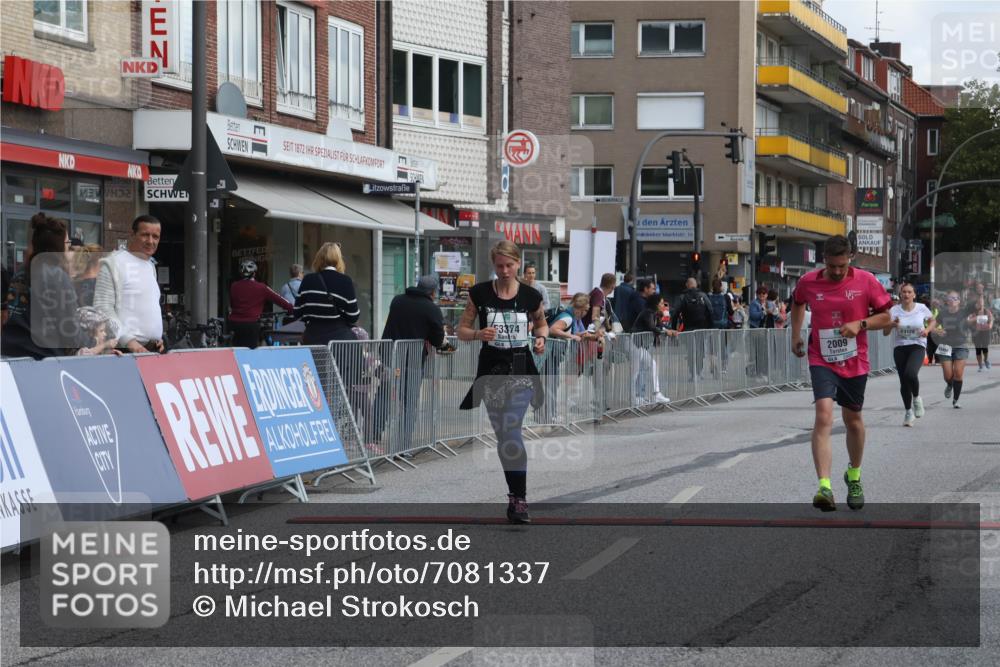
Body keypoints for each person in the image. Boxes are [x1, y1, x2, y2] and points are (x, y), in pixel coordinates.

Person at [790, 235, 892, 512]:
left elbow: (887, 316)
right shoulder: (808, 282)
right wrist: (796, 335)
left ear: (851, 259)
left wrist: (860, 324)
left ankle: (854, 475)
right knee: (823, 414)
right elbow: (798, 302)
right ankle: (824, 486)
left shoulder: (866, 281)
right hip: (821, 357)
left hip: (854, 359)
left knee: (853, 419)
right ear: (825, 260)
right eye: (832, 266)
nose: (837, 272)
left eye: (842, 266)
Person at [457, 241, 547, 524]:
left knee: (511, 429)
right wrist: (478, 334)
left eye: (509, 265)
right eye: (499, 266)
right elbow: (461, 330)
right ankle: (513, 493)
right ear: (493, 265)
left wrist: (542, 337)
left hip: (521, 369)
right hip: (492, 370)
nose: (505, 271)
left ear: (518, 264)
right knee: (503, 435)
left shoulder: (531, 295)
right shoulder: (480, 294)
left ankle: (520, 500)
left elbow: (542, 323)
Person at [373, 276, 449, 452]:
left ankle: (373, 437)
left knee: (384, 396)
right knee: (409, 403)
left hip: (389, 357)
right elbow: (437, 339)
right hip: (412, 362)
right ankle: (403, 445)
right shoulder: (431, 309)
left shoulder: (398, 301)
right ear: (433, 292)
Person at [1, 213, 84, 359]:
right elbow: (71, 332)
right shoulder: (58, 276)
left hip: (11, 354)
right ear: (58, 246)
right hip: (43, 359)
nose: (69, 247)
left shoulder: (20, 272)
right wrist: (96, 340)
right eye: (67, 243)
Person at [93, 215, 165, 353]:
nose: (151, 241)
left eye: (155, 237)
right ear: (132, 235)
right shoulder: (113, 263)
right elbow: (102, 307)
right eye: (145, 235)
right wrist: (129, 342)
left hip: (152, 349)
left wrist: (157, 337)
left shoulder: (150, 266)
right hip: (125, 352)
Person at [883, 282, 935, 426]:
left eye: (909, 292)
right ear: (900, 294)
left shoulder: (921, 308)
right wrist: (892, 324)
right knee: (903, 381)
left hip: (917, 346)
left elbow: (932, 321)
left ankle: (917, 398)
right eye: (904, 292)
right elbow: (885, 332)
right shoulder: (894, 310)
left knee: (910, 374)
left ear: (914, 295)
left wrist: (927, 330)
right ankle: (908, 412)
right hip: (900, 348)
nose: (906, 294)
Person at [295, 242, 360, 344]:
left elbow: (297, 312)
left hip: (312, 339)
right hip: (338, 343)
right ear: (339, 259)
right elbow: (353, 316)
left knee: (314, 361)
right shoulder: (345, 281)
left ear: (319, 258)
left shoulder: (308, 279)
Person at [228, 259, 294, 348]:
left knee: (237, 351)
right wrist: (292, 309)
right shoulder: (261, 287)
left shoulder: (234, 286)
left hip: (235, 324)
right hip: (251, 325)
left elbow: (232, 304)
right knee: (250, 353)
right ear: (254, 273)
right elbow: (280, 300)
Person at [631, 291, 678, 404]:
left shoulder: (654, 313)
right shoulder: (648, 313)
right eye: (661, 303)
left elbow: (660, 326)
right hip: (636, 345)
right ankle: (634, 397)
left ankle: (655, 394)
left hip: (641, 345)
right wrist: (666, 331)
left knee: (651, 365)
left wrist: (668, 330)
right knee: (635, 372)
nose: (663, 305)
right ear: (656, 304)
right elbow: (652, 327)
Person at [935, 290, 972, 408]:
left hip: (960, 345)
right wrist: (938, 331)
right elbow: (932, 326)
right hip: (945, 346)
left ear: (959, 301)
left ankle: (956, 400)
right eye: (950, 298)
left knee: (958, 374)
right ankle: (949, 385)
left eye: (955, 298)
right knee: (948, 376)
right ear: (947, 301)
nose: (953, 300)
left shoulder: (964, 312)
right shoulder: (942, 313)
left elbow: (976, 308)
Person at [674, 277, 714, 381]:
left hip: (688, 328)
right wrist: (710, 326)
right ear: (696, 285)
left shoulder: (682, 297)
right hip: (702, 328)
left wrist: (674, 328)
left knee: (691, 352)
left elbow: (675, 313)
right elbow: (710, 310)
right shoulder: (703, 295)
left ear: (687, 285)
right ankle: (699, 372)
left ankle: (693, 374)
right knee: (700, 351)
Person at [970, 296, 994, 371]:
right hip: (976, 332)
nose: (980, 304)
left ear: (984, 303)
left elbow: (991, 319)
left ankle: (986, 360)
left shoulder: (987, 311)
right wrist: (975, 319)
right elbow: (969, 321)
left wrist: (990, 324)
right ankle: (980, 366)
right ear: (976, 304)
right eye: (979, 302)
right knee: (978, 349)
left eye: (982, 302)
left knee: (985, 348)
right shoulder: (973, 312)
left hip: (985, 332)